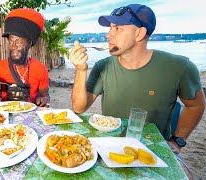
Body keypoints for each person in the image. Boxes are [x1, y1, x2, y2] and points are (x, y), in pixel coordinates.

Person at [69, 4, 205, 179]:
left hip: (153, 151)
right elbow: (79, 108)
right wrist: (81, 70)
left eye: (117, 28)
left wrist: (177, 140)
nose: (108, 34)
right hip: (110, 148)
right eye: (110, 29)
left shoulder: (180, 67)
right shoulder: (103, 66)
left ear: (139, 33)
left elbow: (196, 105)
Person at [0, 8, 50, 107]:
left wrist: (44, 99)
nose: (13, 46)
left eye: (18, 41)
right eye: (10, 41)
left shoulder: (40, 69)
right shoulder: (0, 66)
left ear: (30, 43)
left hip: (29, 115)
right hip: (5, 114)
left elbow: (45, 95)